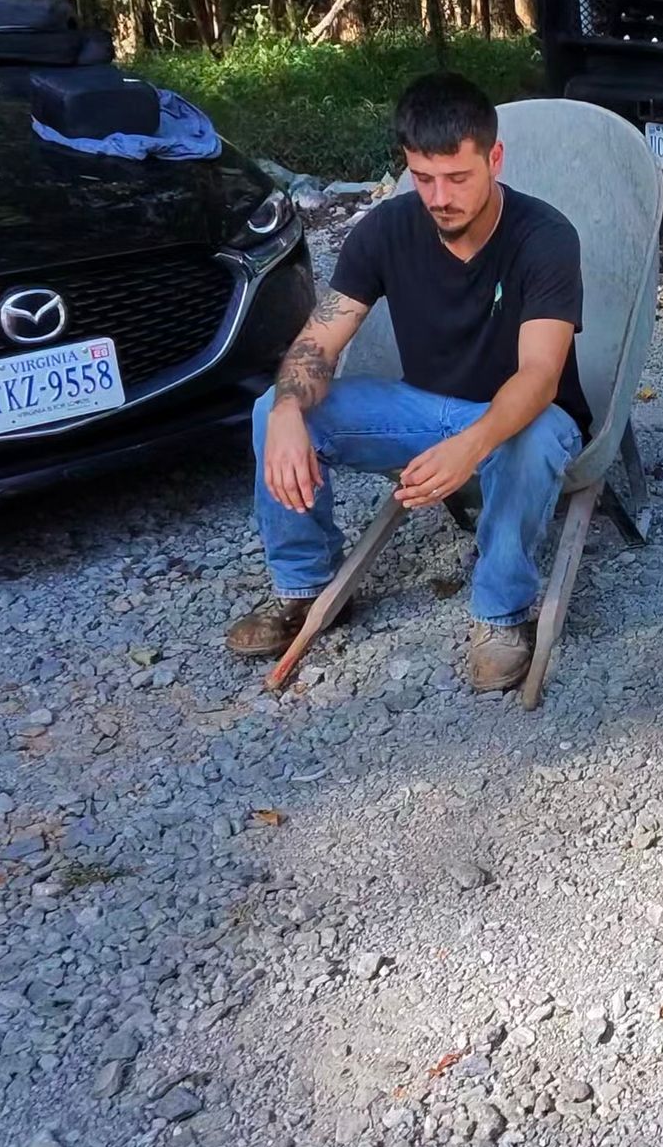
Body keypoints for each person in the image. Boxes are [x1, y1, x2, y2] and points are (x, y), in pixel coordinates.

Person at [227, 73, 590, 692]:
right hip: (424, 409)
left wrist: (472, 443)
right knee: (275, 408)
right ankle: (305, 587)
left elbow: (539, 376)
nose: (440, 196)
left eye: (458, 178)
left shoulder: (544, 237)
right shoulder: (386, 230)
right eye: (424, 178)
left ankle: (500, 614)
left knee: (532, 439)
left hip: (525, 416)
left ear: (495, 159)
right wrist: (288, 412)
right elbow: (318, 343)